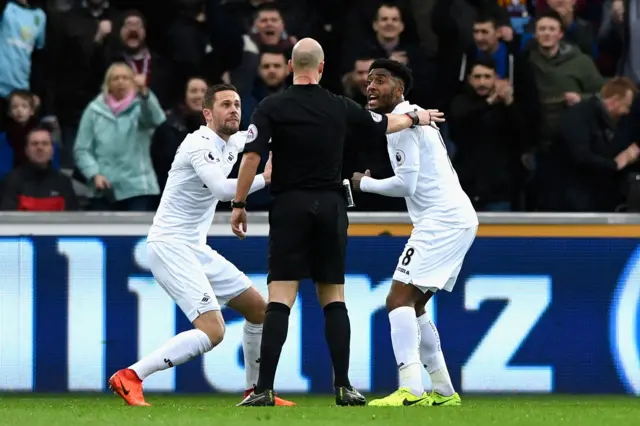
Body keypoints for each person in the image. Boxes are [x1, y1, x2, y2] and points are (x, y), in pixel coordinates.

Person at [230, 38, 444, 407]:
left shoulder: (271, 106)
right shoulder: (340, 106)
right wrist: (417, 117)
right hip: (330, 206)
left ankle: (264, 388)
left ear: (290, 66)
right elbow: (385, 124)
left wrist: (239, 202)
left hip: (289, 206)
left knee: (281, 295)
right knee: (333, 296)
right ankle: (343, 386)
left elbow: (251, 157)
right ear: (323, 68)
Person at [107, 83, 294, 407]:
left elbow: (263, 134)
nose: (233, 109)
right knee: (213, 330)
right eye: (225, 104)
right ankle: (131, 376)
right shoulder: (198, 143)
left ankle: (255, 392)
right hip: (169, 245)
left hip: (194, 247)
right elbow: (223, 190)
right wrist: (266, 178)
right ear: (208, 113)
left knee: (259, 311)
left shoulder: (233, 142)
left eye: (237, 104)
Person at [350, 59, 478, 407]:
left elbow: (407, 184)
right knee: (416, 306)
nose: (371, 87)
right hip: (455, 217)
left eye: (380, 80)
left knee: (396, 300)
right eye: (368, 81)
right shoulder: (415, 115)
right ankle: (445, 390)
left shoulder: (403, 126)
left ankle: (410, 389)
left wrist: (365, 184)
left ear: (399, 89)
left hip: (441, 220)